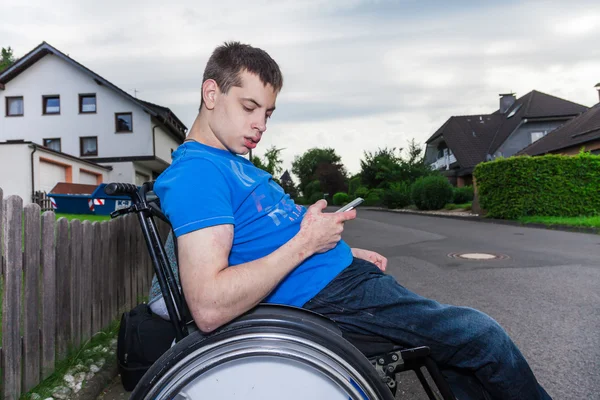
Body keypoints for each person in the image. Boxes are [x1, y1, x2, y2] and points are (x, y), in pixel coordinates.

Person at [151, 41, 551, 400]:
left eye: (268, 113)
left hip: (341, 283)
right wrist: (307, 244)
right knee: (483, 338)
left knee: (457, 358)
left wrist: (340, 247)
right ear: (211, 93)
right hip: (330, 301)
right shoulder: (198, 174)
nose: (261, 125)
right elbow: (209, 304)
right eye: (249, 107)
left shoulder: (231, 163)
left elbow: (264, 238)